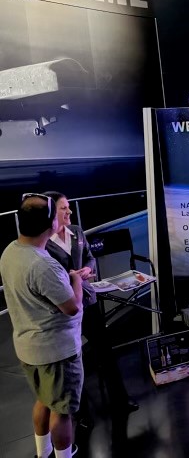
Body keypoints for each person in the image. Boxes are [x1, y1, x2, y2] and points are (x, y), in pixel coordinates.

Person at [43, 191, 138, 425]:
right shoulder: (44, 243)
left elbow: (90, 257)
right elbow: (47, 276)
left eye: (68, 207)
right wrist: (71, 277)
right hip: (65, 308)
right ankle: (80, 412)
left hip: (88, 301)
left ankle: (121, 399)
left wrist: (86, 269)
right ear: (52, 212)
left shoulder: (76, 231)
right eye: (64, 208)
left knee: (105, 352)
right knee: (73, 361)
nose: (69, 211)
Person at [0, 193, 84, 458]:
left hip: (28, 349)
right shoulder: (44, 265)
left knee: (43, 400)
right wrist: (75, 279)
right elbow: (71, 307)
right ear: (48, 226)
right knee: (62, 412)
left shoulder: (10, 252)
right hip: (56, 352)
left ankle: (42, 452)